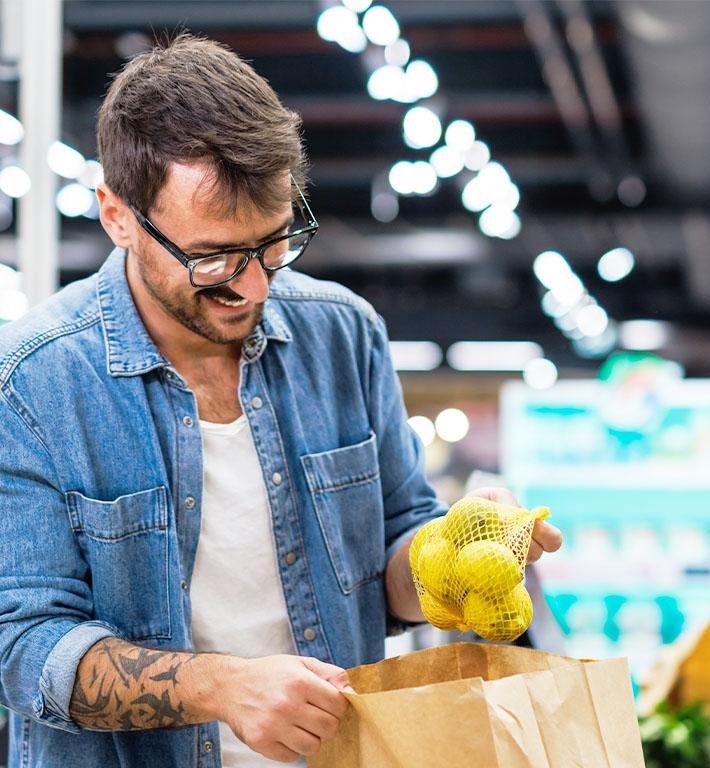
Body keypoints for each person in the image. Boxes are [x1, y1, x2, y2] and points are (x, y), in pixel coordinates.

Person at [0, 34, 562, 768]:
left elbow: (390, 552)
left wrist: (442, 562)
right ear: (117, 216)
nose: (255, 286)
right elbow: (22, 643)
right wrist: (221, 688)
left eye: (274, 243)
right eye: (213, 258)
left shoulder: (343, 333)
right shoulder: (36, 382)